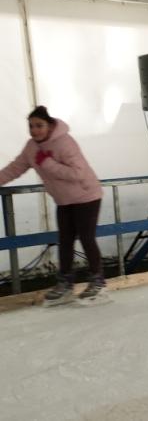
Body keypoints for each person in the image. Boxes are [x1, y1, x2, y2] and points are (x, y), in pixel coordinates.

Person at [0, 106, 106, 306]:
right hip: (64, 200)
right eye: (31, 126)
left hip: (87, 196)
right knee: (64, 240)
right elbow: (15, 168)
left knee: (86, 238)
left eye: (39, 125)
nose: (34, 130)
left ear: (49, 126)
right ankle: (65, 283)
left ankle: (98, 282)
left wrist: (47, 163)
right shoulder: (31, 147)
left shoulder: (65, 143)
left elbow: (78, 173)